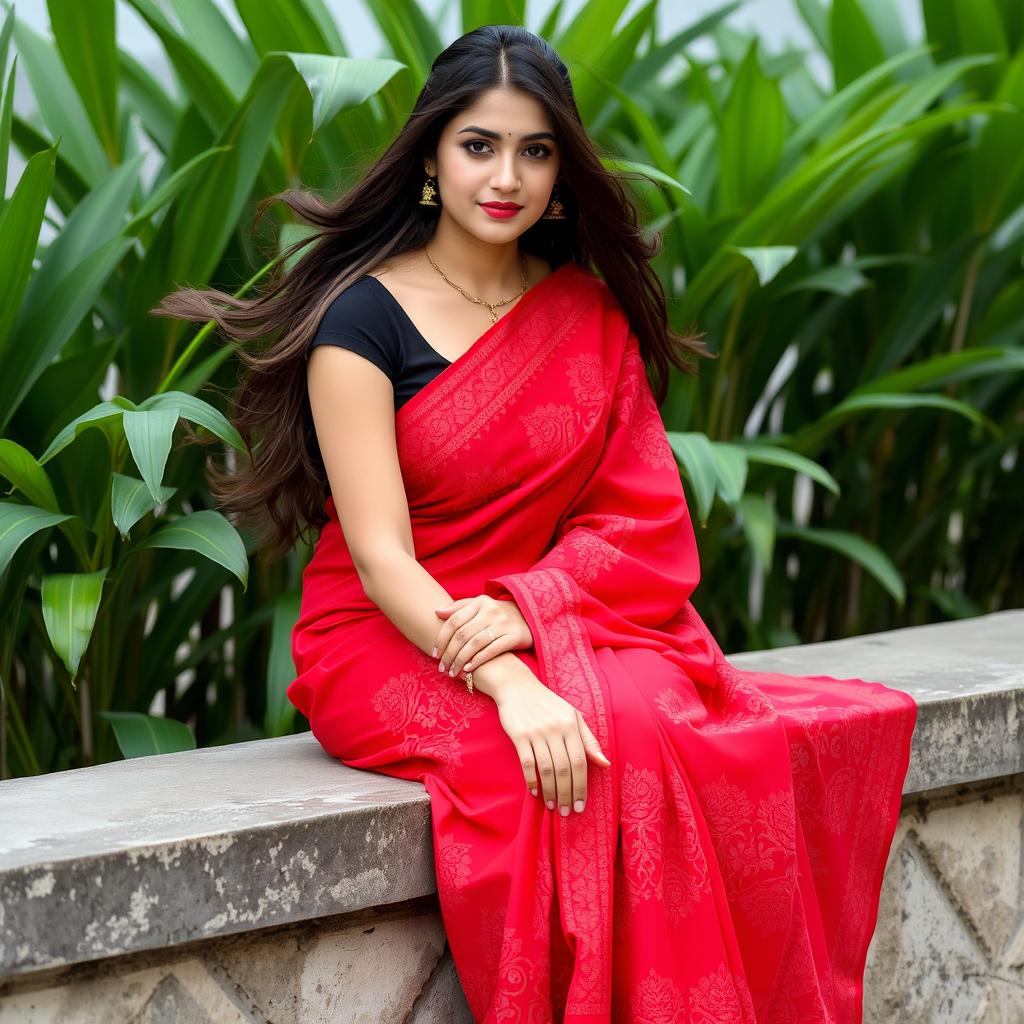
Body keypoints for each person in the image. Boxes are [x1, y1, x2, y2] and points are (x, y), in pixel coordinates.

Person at [155, 24, 917, 1024]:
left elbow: (640, 521)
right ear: (431, 154)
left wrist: (528, 609)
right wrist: (509, 678)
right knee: (542, 766)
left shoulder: (586, 317)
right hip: (390, 636)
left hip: (549, 619)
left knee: (656, 723)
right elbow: (382, 559)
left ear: (562, 169)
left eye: (535, 149)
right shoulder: (361, 320)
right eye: (479, 145)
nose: (504, 175)